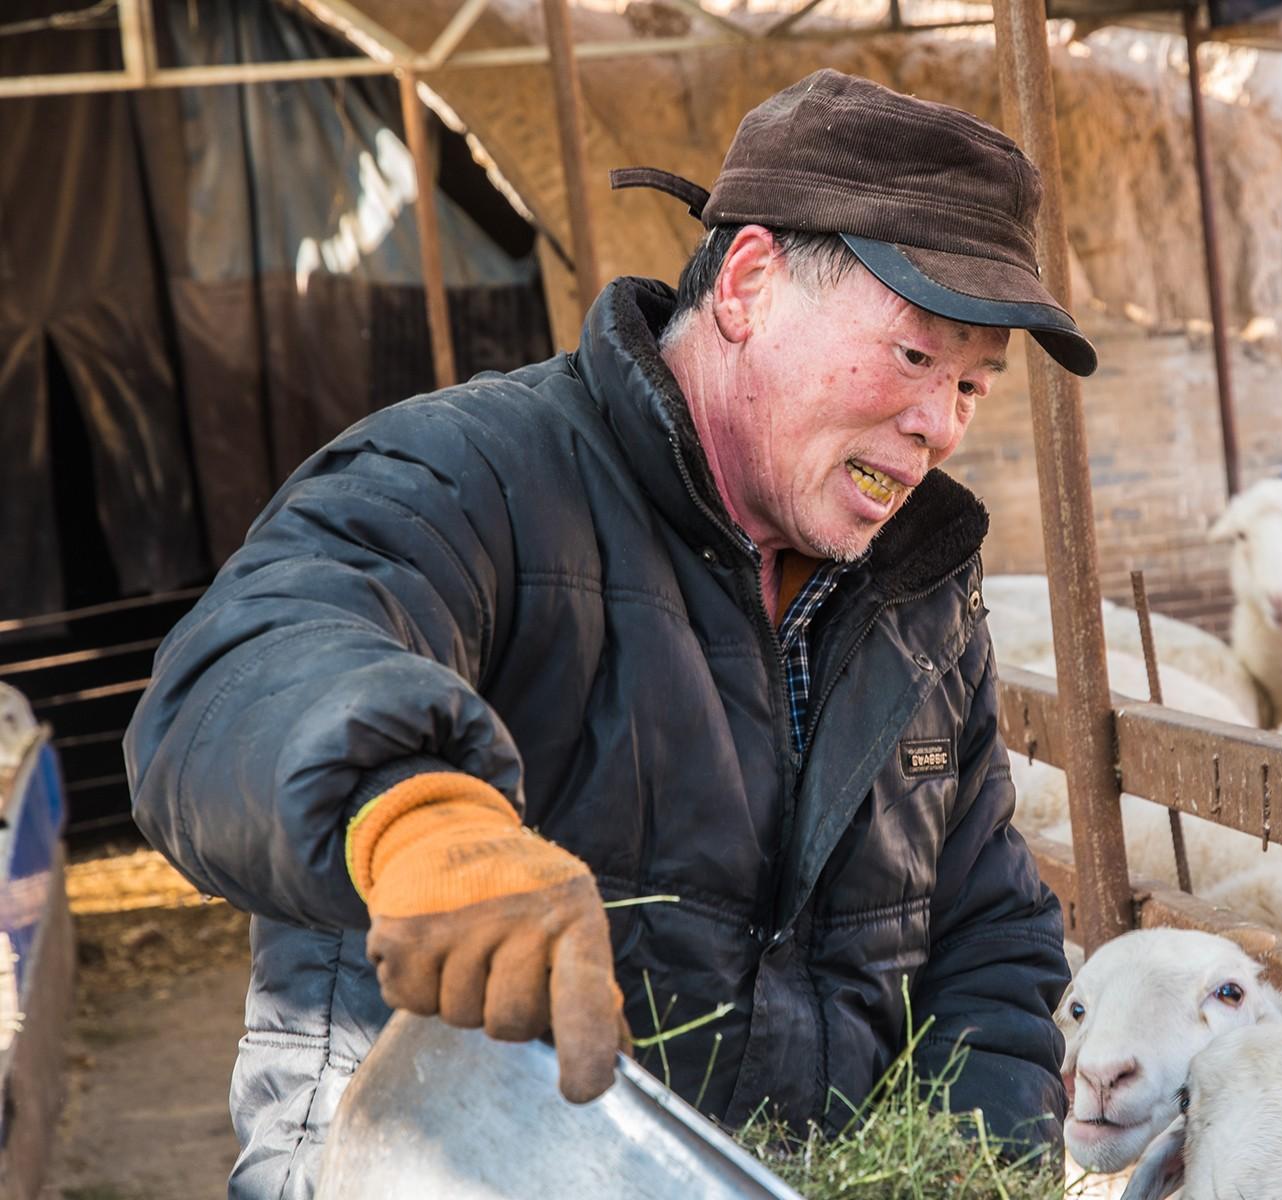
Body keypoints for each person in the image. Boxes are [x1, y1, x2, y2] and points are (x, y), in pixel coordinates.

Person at [126, 68, 1097, 1198]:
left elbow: (985, 930)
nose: (938, 425)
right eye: (915, 357)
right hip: (429, 1165)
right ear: (748, 285)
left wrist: (974, 1167)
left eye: (975, 387)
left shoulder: (919, 599)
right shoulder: (476, 472)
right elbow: (237, 670)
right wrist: (417, 818)